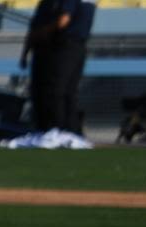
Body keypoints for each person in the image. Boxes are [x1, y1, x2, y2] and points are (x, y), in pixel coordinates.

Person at [26, 0, 95, 134]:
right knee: (65, 92)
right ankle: (67, 131)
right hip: (70, 44)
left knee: (55, 90)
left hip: (62, 45)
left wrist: (42, 32)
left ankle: (55, 130)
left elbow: (63, 20)